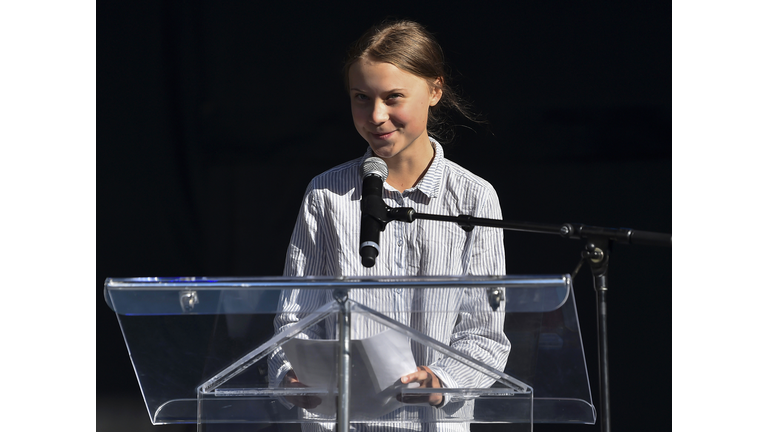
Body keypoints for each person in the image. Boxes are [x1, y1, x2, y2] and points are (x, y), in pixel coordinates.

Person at [268, 20, 510, 432]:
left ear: (435, 90)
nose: (376, 115)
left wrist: (441, 382)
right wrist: (291, 372)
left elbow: (484, 333)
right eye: (361, 98)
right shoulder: (326, 195)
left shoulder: (473, 197)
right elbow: (296, 318)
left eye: (393, 97)